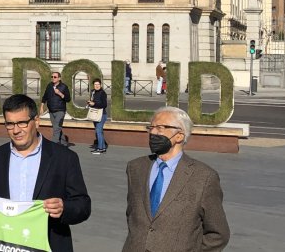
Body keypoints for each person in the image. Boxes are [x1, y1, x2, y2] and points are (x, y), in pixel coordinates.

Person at [0, 94, 91, 252]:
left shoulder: (64, 158)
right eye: (10, 124)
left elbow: (83, 205)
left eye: (22, 123)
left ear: (36, 121)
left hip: (50, 245)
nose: (16, 130)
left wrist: (64, 208)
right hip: (4, 246)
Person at [122, 106, 229, 252]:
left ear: (179, 136)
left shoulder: (204, 177)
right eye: (151, 127)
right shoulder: (135, 168)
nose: (153, 132)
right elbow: (132, 215)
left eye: (160, 128)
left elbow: (218, 234)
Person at [41, 71, 71, 146]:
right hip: (51, 111)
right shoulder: (49, 86)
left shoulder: (64, 86)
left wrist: (60, 93)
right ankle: (64, 143)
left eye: (55, 77)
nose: (53, 78)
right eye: (52, 77)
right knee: (57, 128)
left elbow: (68, 99)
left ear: (59, 78)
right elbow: (45, 96)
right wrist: (41, 106)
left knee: (56, 128)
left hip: (60, 111)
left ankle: (53, 145)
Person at [87, 79, 108, 154]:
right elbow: (93, 101)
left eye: (98, 84)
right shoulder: (93, 92)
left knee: (98, 131)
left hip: (101, 114)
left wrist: (94, 104)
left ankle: (100, 148)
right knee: (99, 131)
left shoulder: (103, 93)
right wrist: (90, 103)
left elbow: (104, 105)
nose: (97, 86)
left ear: (101, 85)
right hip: (95, 114)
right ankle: (102, 148)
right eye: (95, 84)